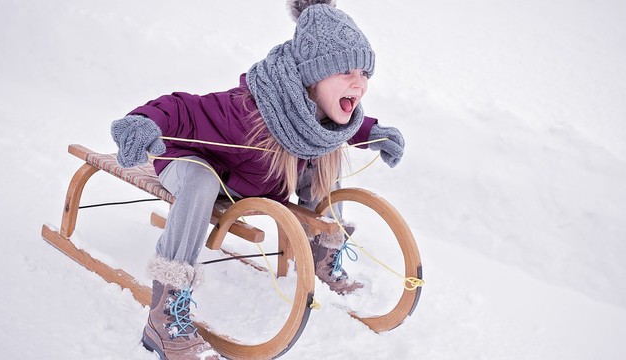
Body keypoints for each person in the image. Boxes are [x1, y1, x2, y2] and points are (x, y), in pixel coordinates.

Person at [109, 1, 404, 358]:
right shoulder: (247, 112)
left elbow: (344, 124)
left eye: (365, 74)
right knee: (201, 181)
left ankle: (321, 252)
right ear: (313, 77)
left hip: (247, 180)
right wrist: (145, 121)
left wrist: (376, 134)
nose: (359, 84)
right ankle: (164, 314)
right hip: (189, 162)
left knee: (327, 154)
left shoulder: (316, 117)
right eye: (346, 72)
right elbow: (183, 108)